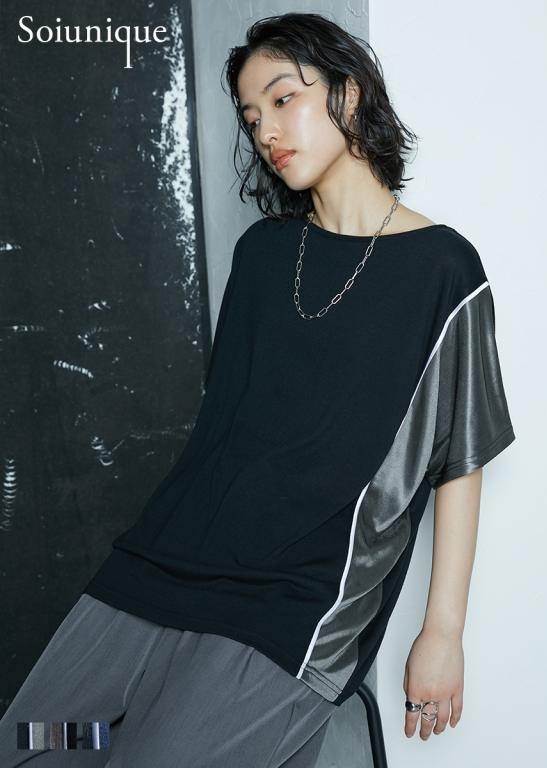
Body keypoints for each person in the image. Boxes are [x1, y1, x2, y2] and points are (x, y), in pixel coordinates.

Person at [0, 11, 516, 766]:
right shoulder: (264, 253)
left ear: (347, 94)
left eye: (282, 99)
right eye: (250, 116)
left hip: (297, 605)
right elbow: (228, 433)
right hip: (159, 568)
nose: (265, 130)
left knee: (151, 759)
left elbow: (458, 460)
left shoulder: (443, 269)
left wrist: (443, 632)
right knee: (36, 746)